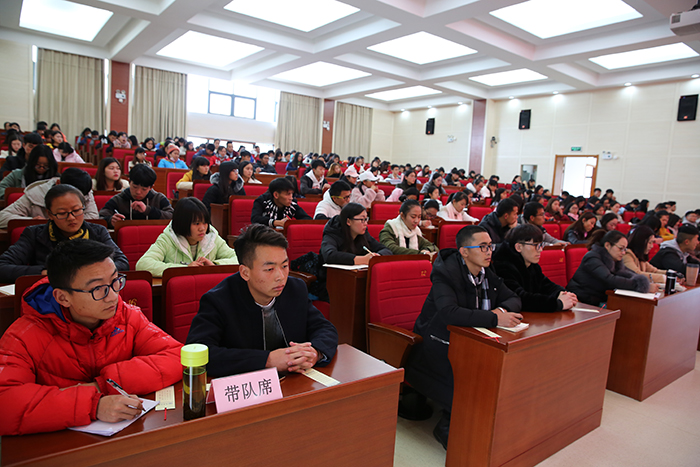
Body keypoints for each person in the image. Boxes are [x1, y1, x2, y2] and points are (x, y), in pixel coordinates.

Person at [0, 239, 182, 436]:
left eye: (115, 281)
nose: (113, 296)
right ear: (62, 297)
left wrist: (102, 385)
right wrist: (93, 405)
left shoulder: (127, 316)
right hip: (59, 443)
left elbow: (177, 356)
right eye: (98, 289)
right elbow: (5, 404)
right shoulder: (24, 335)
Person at [405, 225, 522, 449]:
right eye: (483, 247)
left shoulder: (486, 272)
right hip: (437, 341)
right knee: (472, 382)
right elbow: (449, 313)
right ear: (464, 252)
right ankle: (447, 426)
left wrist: (500, 312)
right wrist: (494, 318)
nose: (489, 252)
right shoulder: (445, 273)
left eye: (490, 246)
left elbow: (514, 298)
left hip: (471, 339)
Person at [185, 224, 338, 378]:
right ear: (245, 272)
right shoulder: (218, 300)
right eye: (269, 269)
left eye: (284, 266)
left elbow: (324, 328)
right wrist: (267, 360)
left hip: (293, 381)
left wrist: (314, 353)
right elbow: (199, 352)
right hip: (247, 385)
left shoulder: (295, 289)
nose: (280, 276)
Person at [0, 185, 129, 283]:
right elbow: (2, 267)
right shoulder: (34, 234)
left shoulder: (97, 232)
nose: (71, 218)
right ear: (50, 214)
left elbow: (122, 262)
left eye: (76, 210)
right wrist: (46, 272)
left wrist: (90, 271)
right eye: (62, 213)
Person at [136, 198, 238, 277]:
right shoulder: (168, 238)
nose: (202, 228)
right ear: (183, 223)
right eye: (197, 223)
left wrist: (214, 266)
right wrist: (184, 268)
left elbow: (238, 258)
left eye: (205, 223)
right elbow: (143, 264)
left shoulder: (212, 237)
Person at [493, 224, 578, 312]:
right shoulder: (503, 267)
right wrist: (558, 304)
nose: (540, 249)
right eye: (535, 245)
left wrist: (562, 293)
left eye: (541, 245)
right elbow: (519, 298)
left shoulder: (531, 264)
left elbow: (545, 285)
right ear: (518, 247)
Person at [567, 230, 652, 305]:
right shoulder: (592, 257)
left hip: (598, 298)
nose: (623, 253)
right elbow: (609, 279)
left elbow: (628, 273)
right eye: (621, 248)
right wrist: (638, 285)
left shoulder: (615, 261)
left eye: (625, 249)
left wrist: (645, 282)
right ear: (607, 245)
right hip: (581, 299)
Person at [0, 167, 99, 229]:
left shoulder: (85, 190)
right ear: (58, 183)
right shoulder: (36, 194)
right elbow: (3, 217)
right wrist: (32, 220)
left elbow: (93, 217)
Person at [100, 164, 174, 228]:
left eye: (144, 189)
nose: (138, 192)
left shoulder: (159, 198)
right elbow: (100, 218)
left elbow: (172, 216)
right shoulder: (118, 199)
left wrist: (148, 210)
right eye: (135, 187)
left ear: (151, 187)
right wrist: (110, 220)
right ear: (129, 182)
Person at [320, 202, 392, 266]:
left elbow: (385, 250)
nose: (366, 224)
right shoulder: (333, 232)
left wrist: (376, 256)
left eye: (366, 219)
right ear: (348, 221)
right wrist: (362, 260)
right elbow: (329, 255)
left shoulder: (363, 233)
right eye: (362, 220)